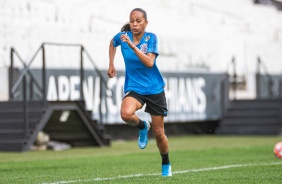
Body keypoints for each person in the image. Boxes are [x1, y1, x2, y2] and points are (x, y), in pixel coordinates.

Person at [107, 8, 172, 177]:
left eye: (138, 21)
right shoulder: (122, 37)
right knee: (126, 114)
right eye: (132, 21)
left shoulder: (151, 38)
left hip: (154, 89)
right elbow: (112, 43)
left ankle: (165, 162)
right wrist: (111, 64)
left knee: (159, 134)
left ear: (146, 23)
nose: (134, 24)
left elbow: (150, 62)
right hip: (135, 87)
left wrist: (132, 45)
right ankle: (143, 126)